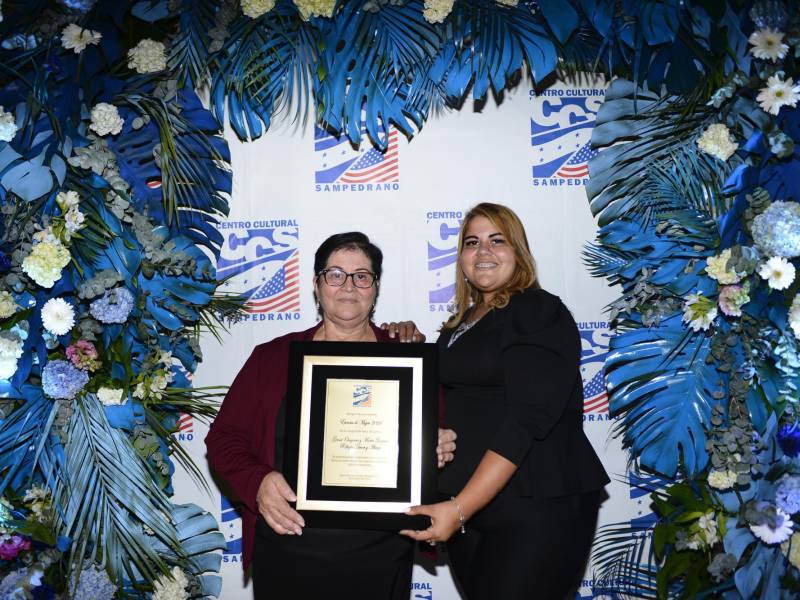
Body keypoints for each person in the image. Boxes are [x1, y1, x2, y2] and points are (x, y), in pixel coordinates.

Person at [205, 231, 456, 599]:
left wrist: (432, 450)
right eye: (335, 274)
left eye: (361, 276)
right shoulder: (271, 358)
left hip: (380, 553)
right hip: (290, 546)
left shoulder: (408, 360)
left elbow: (434, 440)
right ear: (316, 284)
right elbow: (224, 439)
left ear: (375, 287)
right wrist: (257, 482)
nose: (348, 287)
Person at [400, 203, 610, 600]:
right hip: (472, 507)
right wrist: (403, 345)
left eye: (497, 240)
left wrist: (461, 507)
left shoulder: (536, 310)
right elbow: (458, 395)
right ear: (461, 258)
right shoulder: (459, 325)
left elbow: (525, 420)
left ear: (519, 251)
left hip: (536, 503)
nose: (483, 252)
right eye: (472, 242)